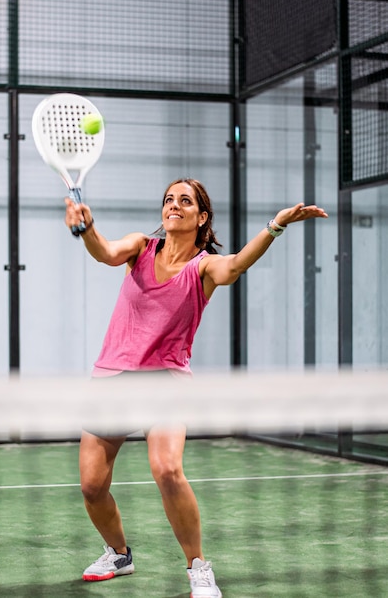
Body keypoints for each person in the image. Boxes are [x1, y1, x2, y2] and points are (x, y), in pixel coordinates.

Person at [64, 177, 328, 597]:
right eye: (169, 199)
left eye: (185, 201)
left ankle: (198, 567)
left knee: (167, 470)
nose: (174, 205)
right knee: (92, 486)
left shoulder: (202, 267)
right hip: (111, 379)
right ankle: (119, 554)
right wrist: (85, 228)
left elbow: (236, 265)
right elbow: (105, 253)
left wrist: (276, 225)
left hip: (165, 382)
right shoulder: (139, 248)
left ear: (201, 216)